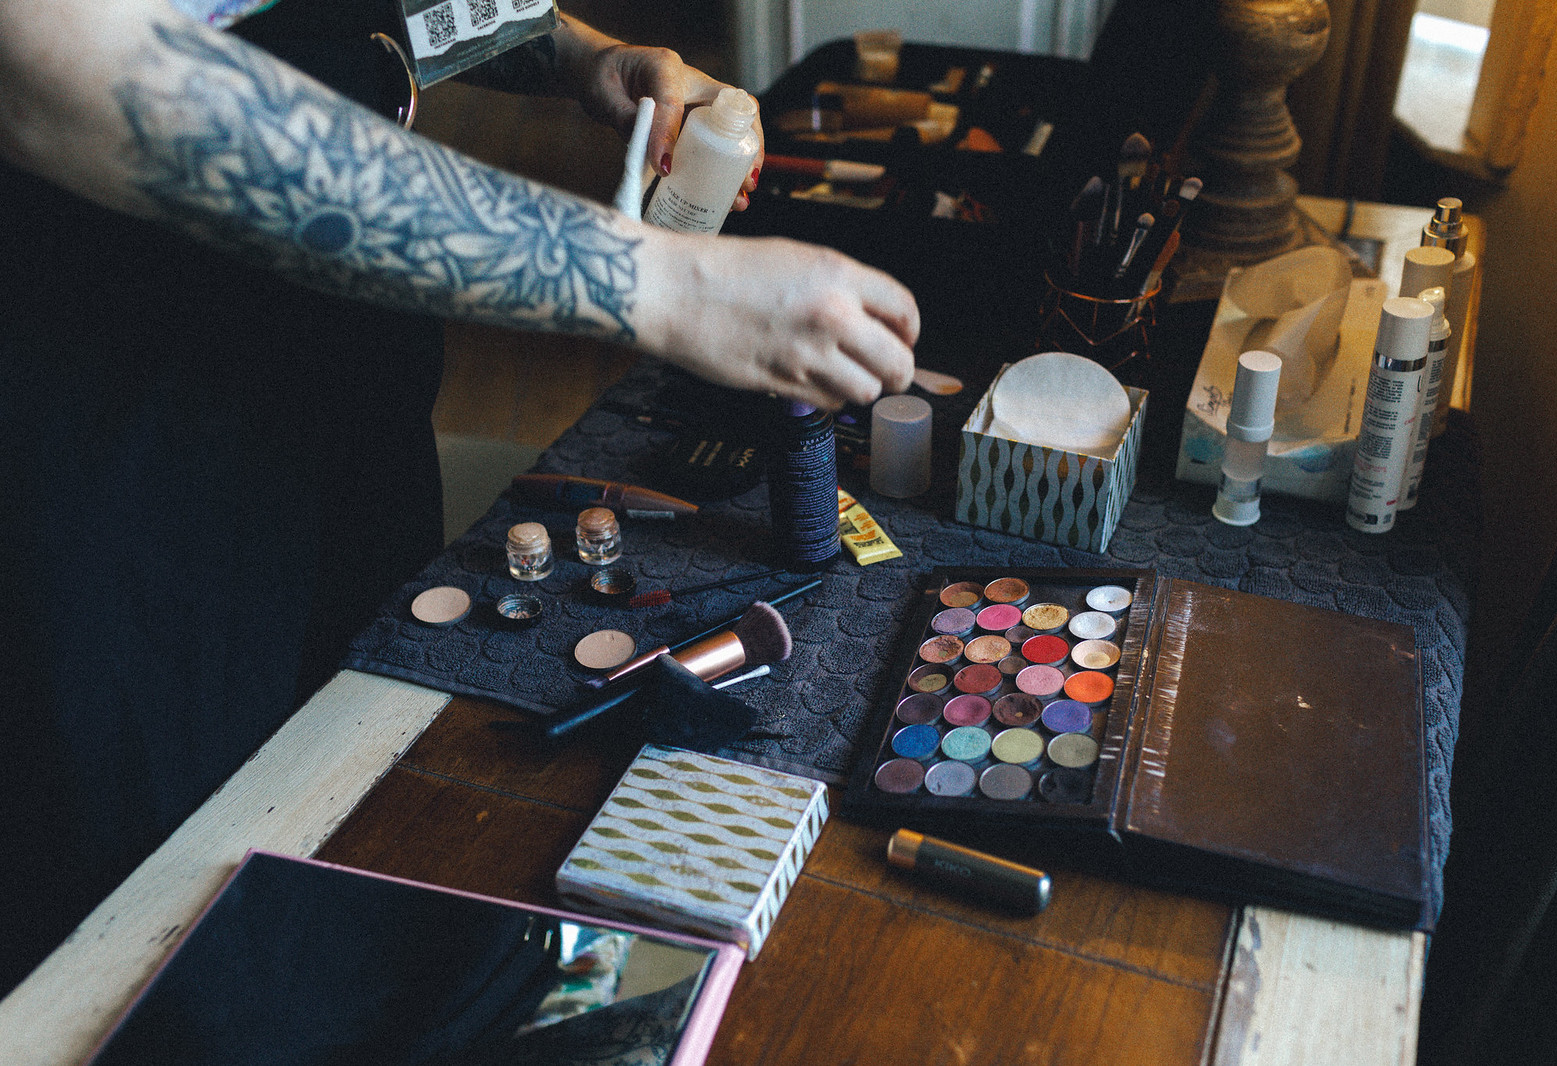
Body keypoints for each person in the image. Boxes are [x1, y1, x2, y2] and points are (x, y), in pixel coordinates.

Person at [0, 0, 919, 994]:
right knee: (152, 912)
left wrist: (573, 53)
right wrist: (661, 285)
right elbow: (66, 76)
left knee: (344, 789)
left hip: (326, 350)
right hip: (98, 404)